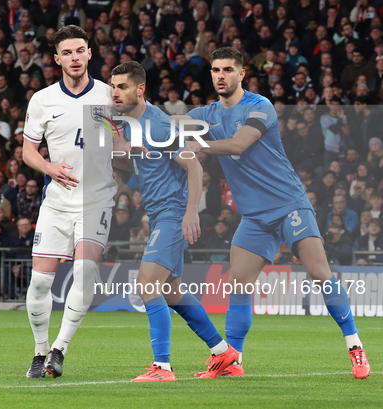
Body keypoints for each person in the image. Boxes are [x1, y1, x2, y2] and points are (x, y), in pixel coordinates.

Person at [185, 47, 370, 379]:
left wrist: (202, 146)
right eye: (215, 70)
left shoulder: (260, 106)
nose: (221, 76)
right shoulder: (207, 113)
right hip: (254, 216)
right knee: (238, 283)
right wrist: (131, 116)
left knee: (320, 275)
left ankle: (355, 346)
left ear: (242, 74)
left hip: (288, 204)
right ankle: (234, 363)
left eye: (228, 70)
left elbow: (240, 144)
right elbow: (167, 124)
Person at [110, 61, 237, 382]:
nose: (115, 93)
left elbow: (194, 167)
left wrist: (191, 212)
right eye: (113, 87)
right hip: (160, 216)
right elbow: (137, 163)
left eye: (122, 87)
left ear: (140, 90)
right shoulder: (133, 126)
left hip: (172, 214)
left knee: (146, 285)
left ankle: (162, 368)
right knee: (171, 293)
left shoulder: (158, 125)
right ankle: (224, 354)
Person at [23, 25, 117, 379]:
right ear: (57, 58)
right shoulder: (42, 99)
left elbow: (136, 134)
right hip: (56, 204)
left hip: (96, 202)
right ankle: (39, 351)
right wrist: (48, 166)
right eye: (68, 52)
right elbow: (27, 151)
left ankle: (59, 349)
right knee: (40, 284)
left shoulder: (111, 96)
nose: (75, 58)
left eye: (81, 51)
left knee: (84, 272)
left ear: (90, 53)